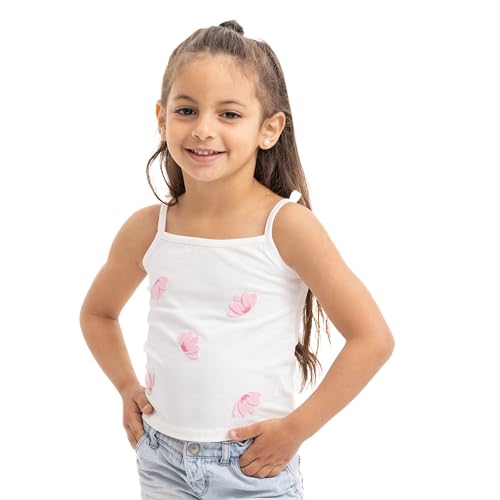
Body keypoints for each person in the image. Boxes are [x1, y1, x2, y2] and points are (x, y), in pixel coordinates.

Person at [79, 19, 395, 499]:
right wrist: (126, 386)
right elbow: (98, 313)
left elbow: (372, 339)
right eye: (187, 110)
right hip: (161, 458)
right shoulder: (147, 230)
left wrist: (295, 430)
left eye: (229, 114)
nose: (203, 129)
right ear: (162, 118)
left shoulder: (287, 227)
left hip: (252, 466)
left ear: (269, 128)